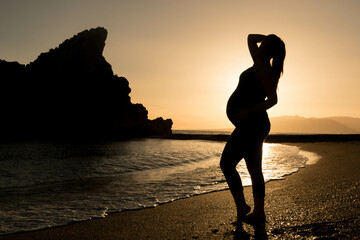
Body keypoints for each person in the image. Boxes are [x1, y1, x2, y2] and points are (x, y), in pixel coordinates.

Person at [220, 34, 286, 223]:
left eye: (267, 48)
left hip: (254, 124)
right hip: (252, 125)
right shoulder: (257, 61)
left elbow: (273, 100)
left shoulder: (265, 70)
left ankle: (244, 207)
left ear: (272, 53)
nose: (262, 48)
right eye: (263, 45)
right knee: (254, 169)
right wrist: (270, 38)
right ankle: (258, 212)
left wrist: (249, 112)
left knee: (227, 164)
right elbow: (250, 38)